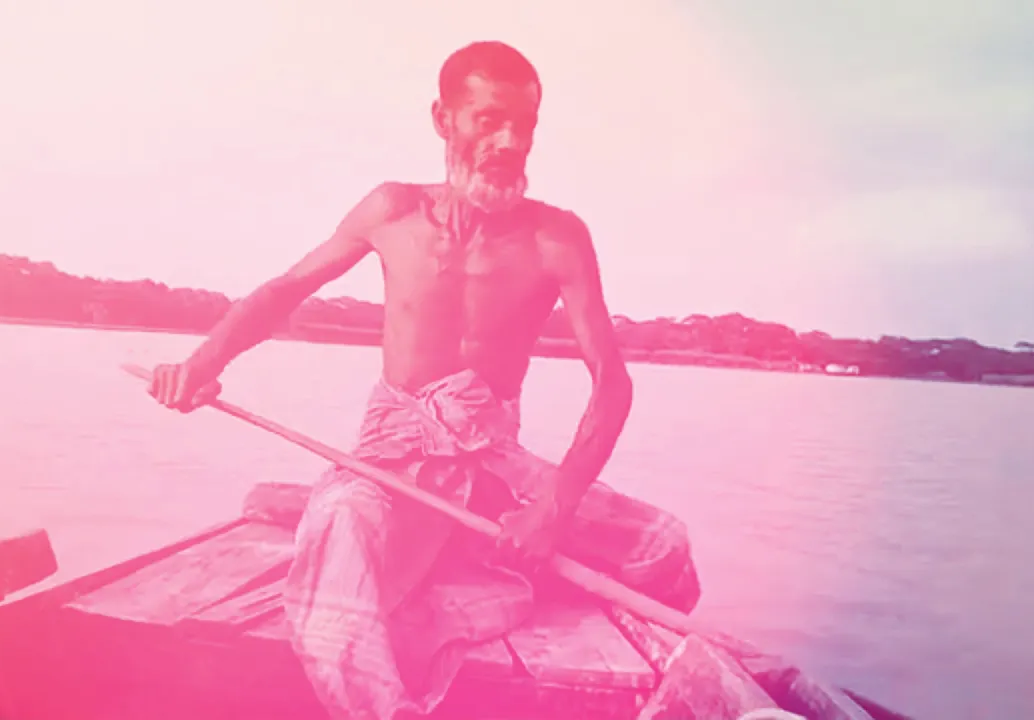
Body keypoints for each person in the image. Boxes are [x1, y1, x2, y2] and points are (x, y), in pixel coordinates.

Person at [148, 40, 701, 720]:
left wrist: (551, 509)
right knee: (343, 527)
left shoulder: (558, 237)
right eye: (489, 119)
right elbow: (287, 290)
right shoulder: (392, 210)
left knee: (664, 546)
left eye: (524, 125)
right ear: (443, 119)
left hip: (496, 472)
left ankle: (486, 558)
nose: (509, 142)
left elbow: (611, 383)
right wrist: (201, 366)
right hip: (392, 464)